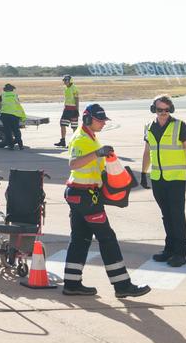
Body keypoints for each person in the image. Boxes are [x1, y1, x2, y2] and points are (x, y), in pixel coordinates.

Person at [61, 103, 150, 298]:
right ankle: (122, 286)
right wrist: (97, 153)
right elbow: (73, 163)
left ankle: (71, 283)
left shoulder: (91, 136)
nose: (102, 123)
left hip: (80, 194)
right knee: (107, 238)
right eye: (99, 120)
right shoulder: (80, 138)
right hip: (84, 196)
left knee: (80, 239)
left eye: (103, 120)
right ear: (87, 119)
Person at [140, 95, 186, 267]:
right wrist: (144, 173)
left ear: (171, 110)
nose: (163, 113)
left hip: (176, 179)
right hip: (158, 179)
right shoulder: (149, 127)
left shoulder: (179, 126)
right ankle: (169, 249)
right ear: (154, 109)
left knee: (177, 215)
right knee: (166, 215)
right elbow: (147, 152)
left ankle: (180, 252)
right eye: (160, 110)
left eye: (166, 110)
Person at [0, 83, 27, 150]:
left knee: (8, 131)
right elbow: (18, 104)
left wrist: (2, 109)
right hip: (14, 115)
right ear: (12, 89)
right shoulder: (15, 95)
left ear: (5, 89)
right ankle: (20, 145)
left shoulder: (2, 95)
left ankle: (11, 146)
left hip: (5, 115)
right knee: (16, 130)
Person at [55, 75, 80, 148]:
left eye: (66, 80)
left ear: (70, 80)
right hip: (66, 109)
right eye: (64, 80)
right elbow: (66, 99)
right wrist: (64, 107)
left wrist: (77, 110)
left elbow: (77, 99)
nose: (64, 82)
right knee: (62, 124)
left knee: (74, 127)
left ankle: (74, 143)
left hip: (73, 110)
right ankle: (63, 141)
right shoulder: (66, 88)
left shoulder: (74, 88)